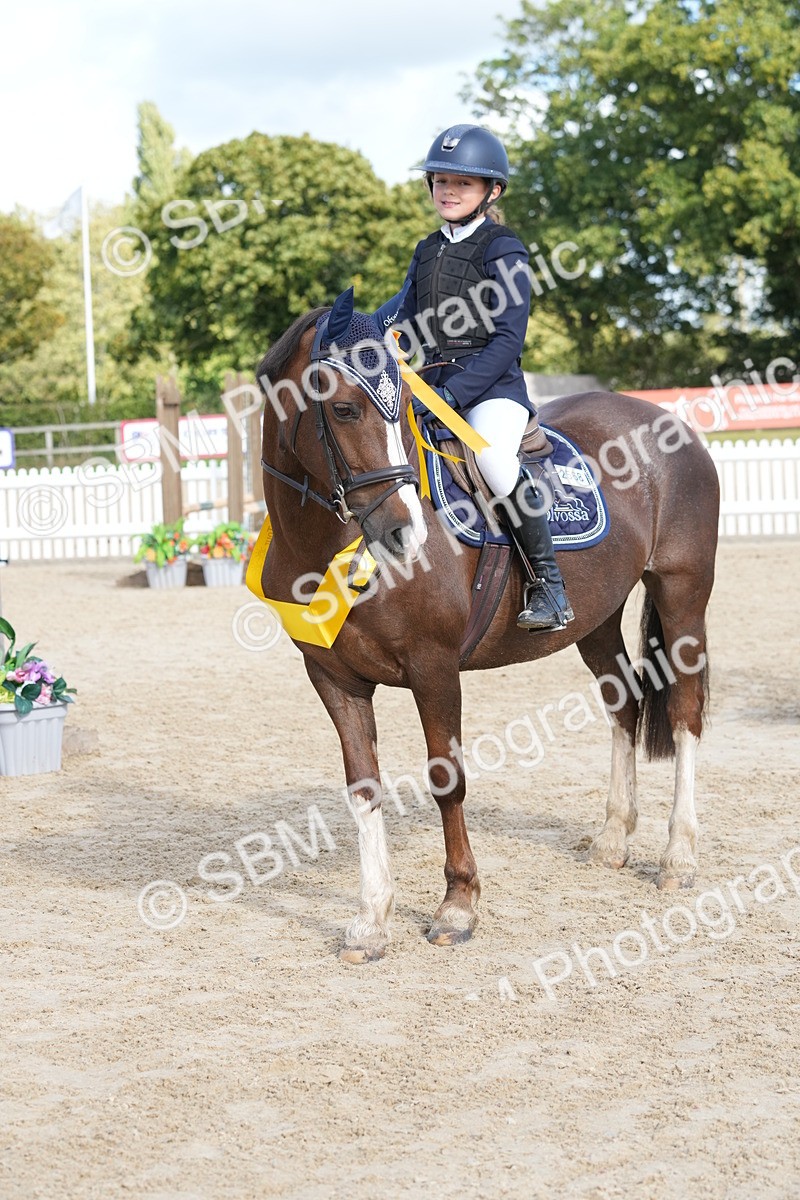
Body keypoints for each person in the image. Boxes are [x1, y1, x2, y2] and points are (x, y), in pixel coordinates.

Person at [374, 123, 573, 632]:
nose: (448, 190)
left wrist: (449, 395)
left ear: (492, 191)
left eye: (462, 183)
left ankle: (549, 586)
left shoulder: (503, 248)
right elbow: (401, 315)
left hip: (491, 389)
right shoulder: (427, 249)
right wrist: (354, 332)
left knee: (493, 461)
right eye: (440, 181)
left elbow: (508, 341)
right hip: (430, 383)